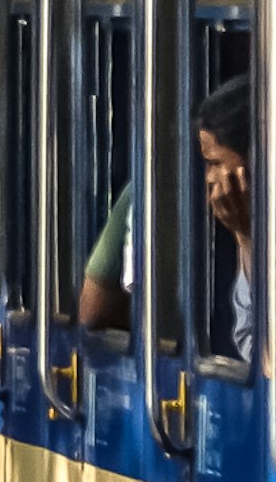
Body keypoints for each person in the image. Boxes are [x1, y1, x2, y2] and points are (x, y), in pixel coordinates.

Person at [75, 76, 258, 355]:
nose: (209, 177)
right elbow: (93, 313)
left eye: (216, 163)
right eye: (205, 164)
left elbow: (259, 348)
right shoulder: (150, 196)